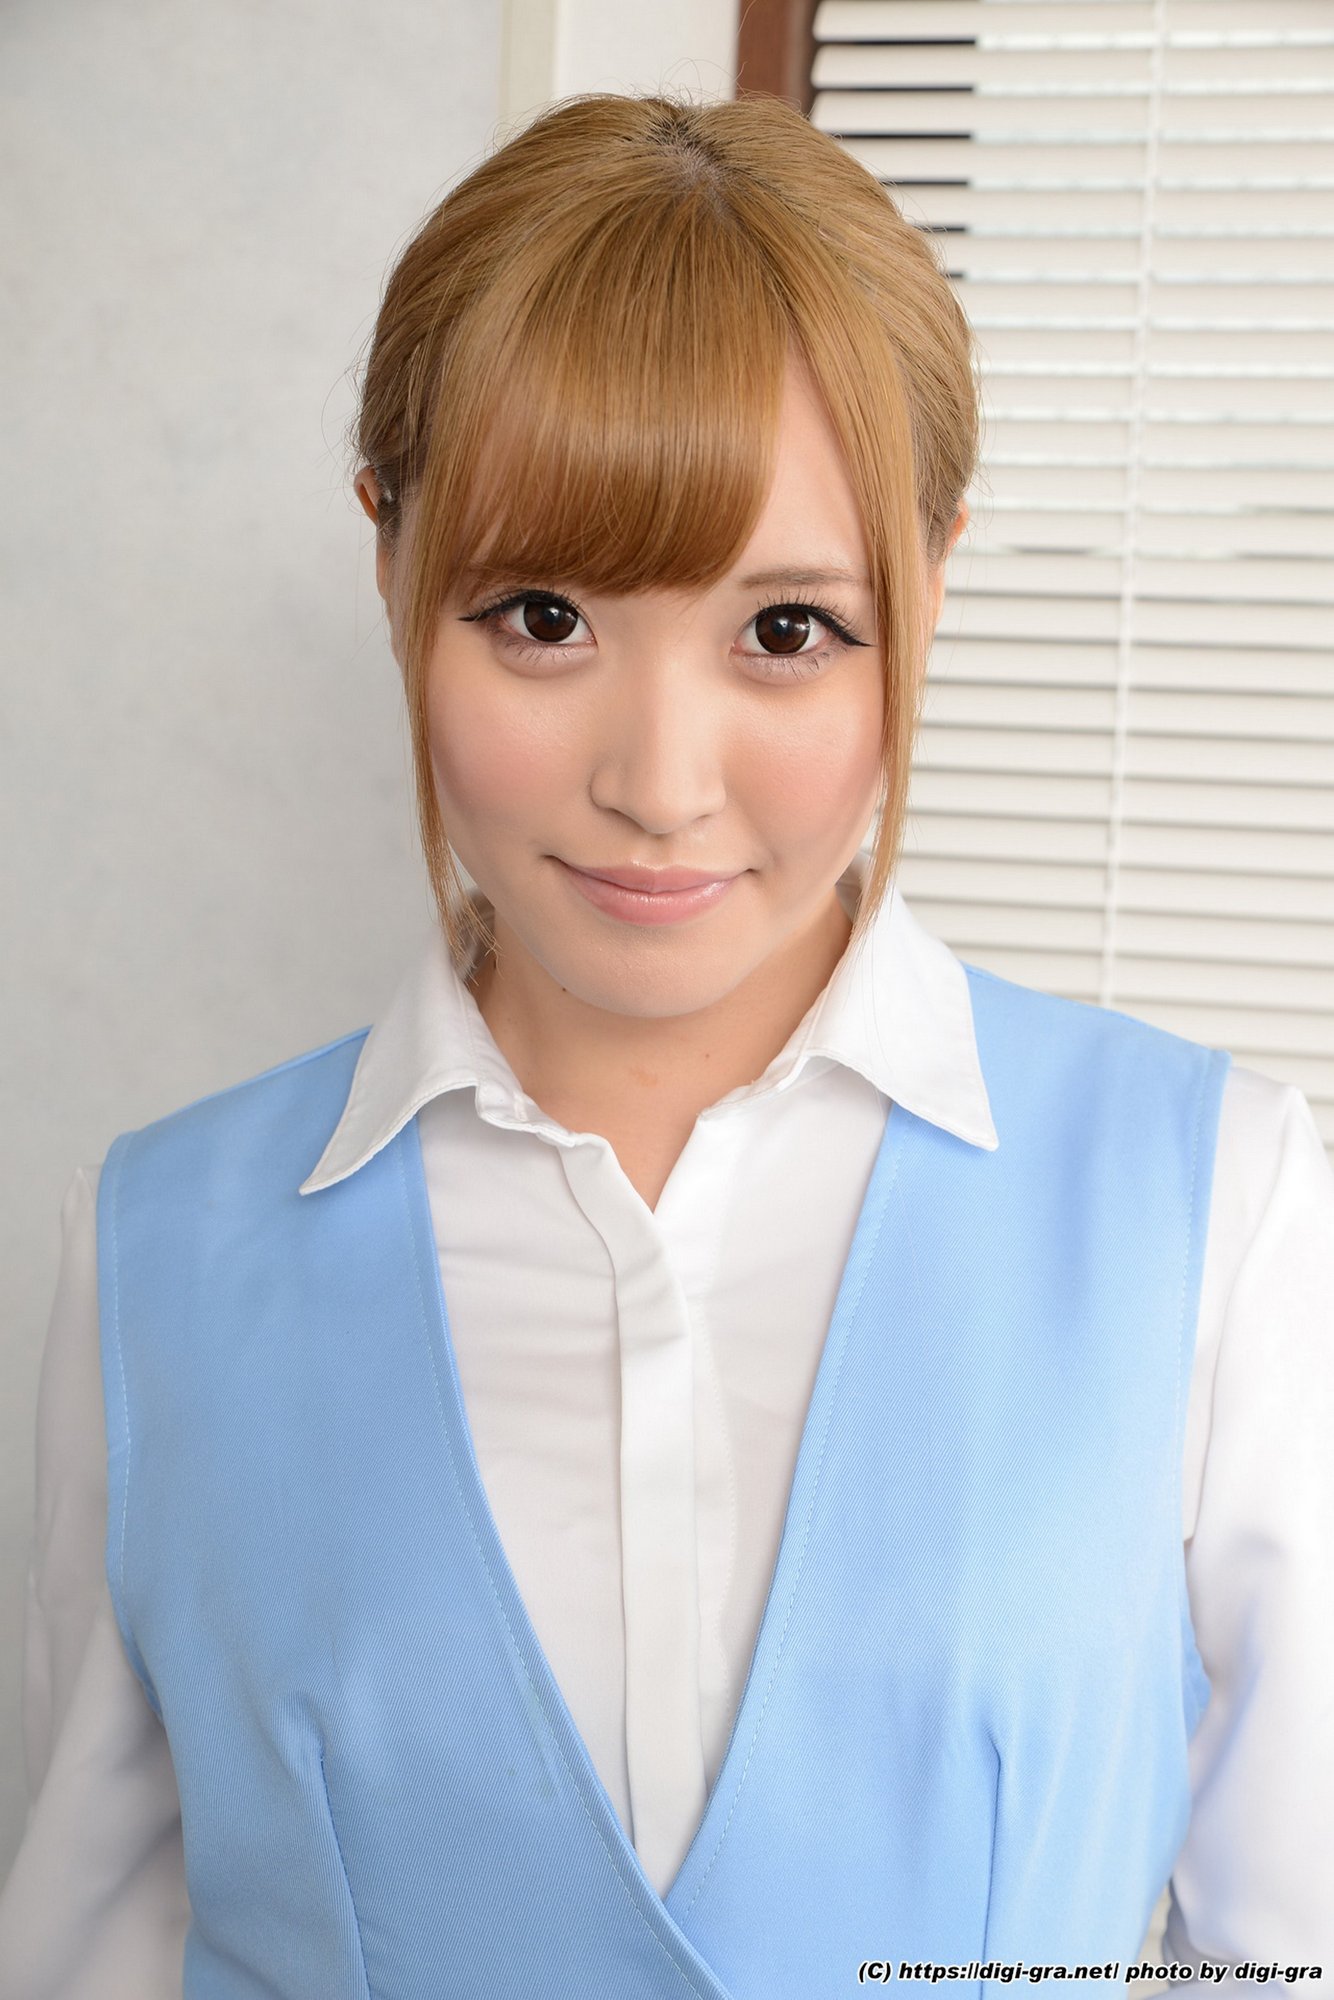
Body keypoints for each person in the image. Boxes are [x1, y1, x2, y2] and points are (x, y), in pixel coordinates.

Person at [1, 88, 1331, 2000]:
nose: (658, 781)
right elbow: (90, 1959)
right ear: (389, 560)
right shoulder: (150, 1257)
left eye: (785, 632)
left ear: (932, 581)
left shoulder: (1215, 1205)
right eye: (542, 616)